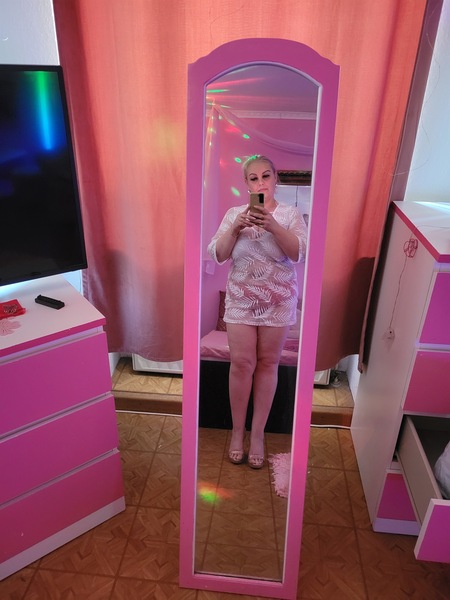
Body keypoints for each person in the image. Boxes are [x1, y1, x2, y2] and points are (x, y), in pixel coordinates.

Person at [207, 155, 308, 469]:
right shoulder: (234, 214)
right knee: (241, 364)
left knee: (267, 363)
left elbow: (298, 253)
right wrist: (236, 227)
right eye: (254, 178)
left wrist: (273, 225)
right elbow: (218, 255)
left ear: (275, 178)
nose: (261, 183)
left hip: (278, 301)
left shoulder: (290, 215)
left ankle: (259, 434)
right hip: (241, 301)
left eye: (266, 176)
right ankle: (238, 432)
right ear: (246, 184)